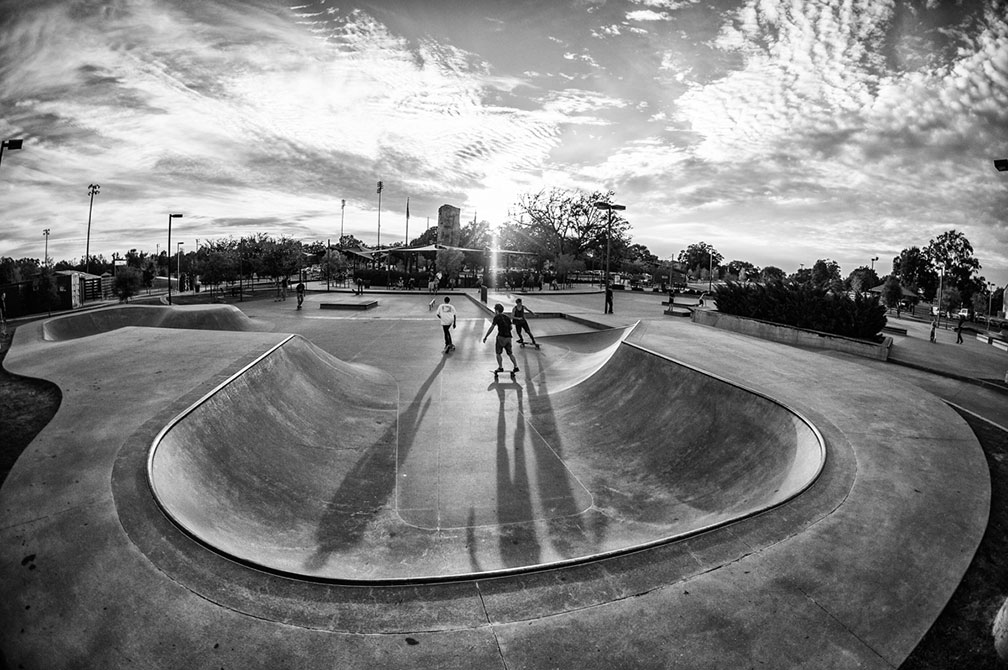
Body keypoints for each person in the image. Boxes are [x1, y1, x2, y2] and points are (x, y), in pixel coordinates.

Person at [483, 303, 519, 373]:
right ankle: (516, 367)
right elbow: (511, 327)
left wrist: (486, 336)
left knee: (498, 353)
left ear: (497, 310)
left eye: (495, 310)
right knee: (510, 353)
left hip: (501, 338)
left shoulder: (497, 317)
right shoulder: (507, 317)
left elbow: (492, 327)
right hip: (509, 337)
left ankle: (500, 367)